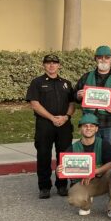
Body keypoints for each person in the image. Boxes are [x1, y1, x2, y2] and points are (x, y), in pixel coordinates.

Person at [26, 53, 76, 199]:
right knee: (43, 156)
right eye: (48, 63)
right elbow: (34, 104)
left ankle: (62, 185)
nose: (52, 65)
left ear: (59, 65)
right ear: (44, 65)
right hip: (45, 124)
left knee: (64, 155)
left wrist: (66, 117)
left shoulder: (66, 83)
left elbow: (72, 104)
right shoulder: (37, 82)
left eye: (54, 63)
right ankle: (44, 187)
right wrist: (52, 118)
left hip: (64, 124)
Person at [59, 113, 111, 218]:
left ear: (96, 129)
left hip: (102, 180)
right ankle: (86, 205)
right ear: (80, 129)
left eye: (92, 126)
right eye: (85, 126)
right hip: (84, 183)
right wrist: (58, 170)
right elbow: (62, 168)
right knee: (74, 199)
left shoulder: (103, 144)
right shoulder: (73, 148)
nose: (88, 128)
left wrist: (94, 172)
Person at [74, 45, 111, 152]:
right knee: (91, 153)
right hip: (90, 124)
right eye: (100, 57)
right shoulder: (86, 76)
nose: (103, 60)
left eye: (107, 57)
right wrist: (78, 95)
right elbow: (74, 95)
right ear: (95, 59)